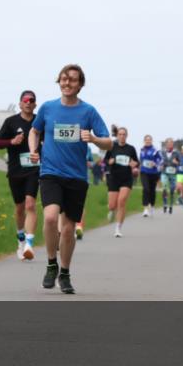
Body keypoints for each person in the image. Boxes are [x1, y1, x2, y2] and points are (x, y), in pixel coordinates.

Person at [28, 64, 112, 295]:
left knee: (68, 230)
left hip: (76, 176)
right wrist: (34, 148)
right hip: (50, 173)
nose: (67, 83)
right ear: (59, 82)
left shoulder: (88, 112)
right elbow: (34, 131)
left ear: (80, 84)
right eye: (63, 79)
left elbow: (109, 142)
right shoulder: (47, 108)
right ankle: (51, 263)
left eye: (72, 80)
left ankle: (64, 272)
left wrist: (93, 139)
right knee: (50, 217)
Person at [0, 90, 41, 263]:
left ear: (35, 104)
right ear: (20, 103)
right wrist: (11, 141)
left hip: (34, 169)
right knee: (20, 206)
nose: (28, 103)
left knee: (30, 204)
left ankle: (29, 244)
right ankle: (20, 239)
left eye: (32, 100)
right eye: (25, 100)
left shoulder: (39, 122)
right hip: (15, 170)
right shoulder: (11, 122)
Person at [104, 127, 139, 237]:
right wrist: (109, 161)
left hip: (126, 178)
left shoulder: (131, 149)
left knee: (122, 201)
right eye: (120, 134)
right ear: (117, 135)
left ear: (126, 136)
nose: (122, 136)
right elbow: (106, 160)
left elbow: (136, 162)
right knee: (112, 205)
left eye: (124, 134)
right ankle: (111, 210)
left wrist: (134, 165)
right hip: (114, 178)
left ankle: (118, 228)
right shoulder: (112, 147)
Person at [138, 134, 162, 217]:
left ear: (151, 141)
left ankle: (152, 206)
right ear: (144, 141)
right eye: (146, 140)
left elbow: (160, 160)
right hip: (144, 172)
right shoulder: (142, 149)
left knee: (152, 191)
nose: (148, 141)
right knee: (146, 189)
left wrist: (155, 163)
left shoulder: (155, 150)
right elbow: (141, 160)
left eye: (149, 140)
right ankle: (145, 208)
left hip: (153, 173)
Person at [159, 138, 182, 214]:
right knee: (165, 187)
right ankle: (165, 204)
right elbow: (159, 161)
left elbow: (181, 163)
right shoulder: (162, 152)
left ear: (173, 144)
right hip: (164, 172)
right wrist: (161, 165)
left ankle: (171, 206)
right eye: (168, 143)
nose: (169, 144)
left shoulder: (177, 153)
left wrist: (177, 163)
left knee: (172, 190)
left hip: (173, 173)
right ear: (166, 144)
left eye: (171, 143)